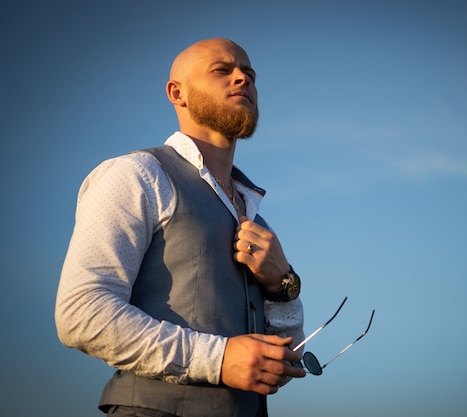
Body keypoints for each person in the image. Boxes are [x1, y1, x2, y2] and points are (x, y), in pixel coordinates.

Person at [55, 38, 306, 417]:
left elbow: (281, 365)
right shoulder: (136, 175)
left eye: (249, 74)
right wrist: (218, 359)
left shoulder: (256, 219)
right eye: (223, 70)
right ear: (178, 93)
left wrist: (283, 285)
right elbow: (81, 313)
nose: (242, 78)